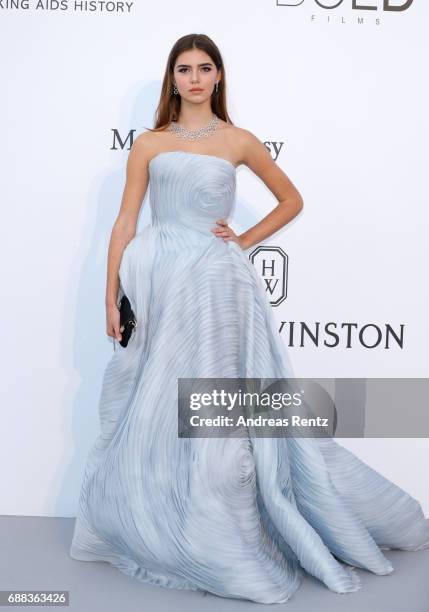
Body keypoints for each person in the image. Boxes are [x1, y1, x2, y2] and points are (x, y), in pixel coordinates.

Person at [69, 33, 429, 604]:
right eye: (183, 68)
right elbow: (125, 221)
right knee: (154, 403)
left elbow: (292, 199)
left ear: (218, 77)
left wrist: (243, 241)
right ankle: (168, 518)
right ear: (172, 78)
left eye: (204, 68)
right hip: (160, 286)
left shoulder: (239, 140)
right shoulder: (149, 143)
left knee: (215, 407)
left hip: (216, 287)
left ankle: (225, 526)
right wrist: (110, 294)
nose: (193, 78)